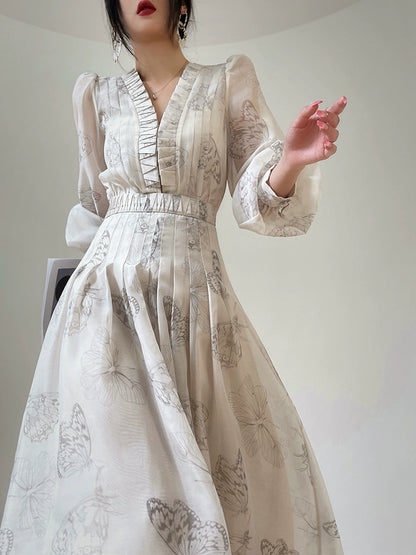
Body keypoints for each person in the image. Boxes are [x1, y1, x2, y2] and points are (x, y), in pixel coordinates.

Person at [0, 1, 347, 553]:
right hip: (106, 309)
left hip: (197, 309)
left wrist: (291, 161)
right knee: (118, 494)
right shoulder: (94, 96)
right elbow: (94, 211)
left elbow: (256, 197)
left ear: (182, 3)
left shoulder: (227, 82)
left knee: (211, 489)